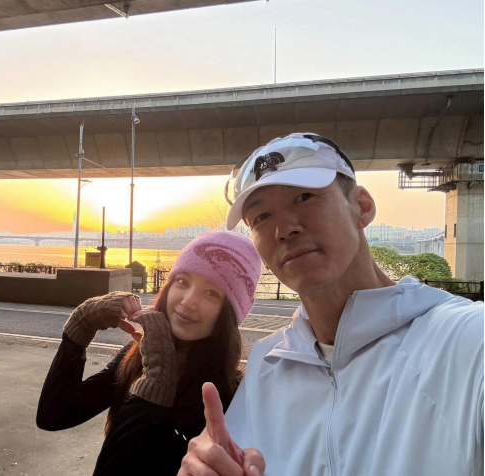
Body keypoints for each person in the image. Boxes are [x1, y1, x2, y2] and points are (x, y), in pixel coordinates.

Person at [178, 133, 484, 476]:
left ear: (362, 206)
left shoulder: (467, 342)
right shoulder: (267, 363)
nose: (283, 229)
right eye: (261, 217)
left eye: (304, 197)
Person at [36, 231, 262, 476]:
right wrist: (80, 326)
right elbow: (54, 415)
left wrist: (157, 381)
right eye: (182, 281)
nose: (188, 301)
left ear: (230, 313)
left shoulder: (228, 396)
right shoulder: (141, 355)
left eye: (211, 293)